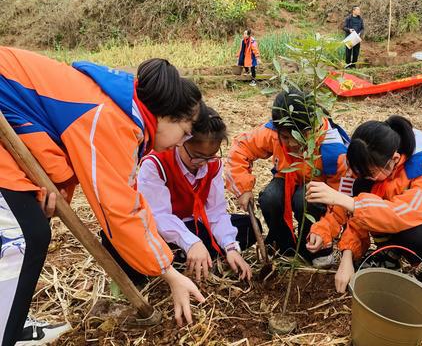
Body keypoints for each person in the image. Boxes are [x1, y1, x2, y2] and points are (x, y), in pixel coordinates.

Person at [0, 47, 205, 346]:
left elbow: (50, 138)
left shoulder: (121, 107)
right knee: (24, 235)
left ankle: (11, 318)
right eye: (184, 132)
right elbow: (120, 209)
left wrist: (51, 192)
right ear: (166, 117)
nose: (181, 143)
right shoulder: (109, 118)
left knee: (30, 226)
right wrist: (169, 273)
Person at [305, 115, 422, 296]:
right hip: (391, 213)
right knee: (370, 205)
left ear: (395, 159)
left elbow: (405, 213)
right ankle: (390, 256)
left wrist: (352, 203)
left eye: (370, 174)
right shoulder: (361, 163)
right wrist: (329, 238)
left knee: (414, 235)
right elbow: (350, 212)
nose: (358, 175)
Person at [101, 105, 256, 284]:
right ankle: (173, 261)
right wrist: (191, 243)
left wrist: (231, 248)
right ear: (182, 140)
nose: (203, 163)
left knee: (248, 226)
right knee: (115, 240)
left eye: (210, 156)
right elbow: (158, 216)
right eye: (197, 156)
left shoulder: (213, 165)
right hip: (161, 231)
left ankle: (185, 258)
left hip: (194, 226)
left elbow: (216, 212)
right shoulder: (156, 163)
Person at [225, 89, 351, 267]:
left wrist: (324, 229)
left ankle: (312, 246)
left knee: (305, 200)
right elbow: (240, 147)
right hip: (286, 179)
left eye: (299, 136)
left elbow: (342, 201)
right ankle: (283, 245)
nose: (291, 143)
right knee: (271, 197)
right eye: (285, 137)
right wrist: (242, 188)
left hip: (319, 191)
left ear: (311, 127)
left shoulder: (333, 150)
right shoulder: (273, 133)